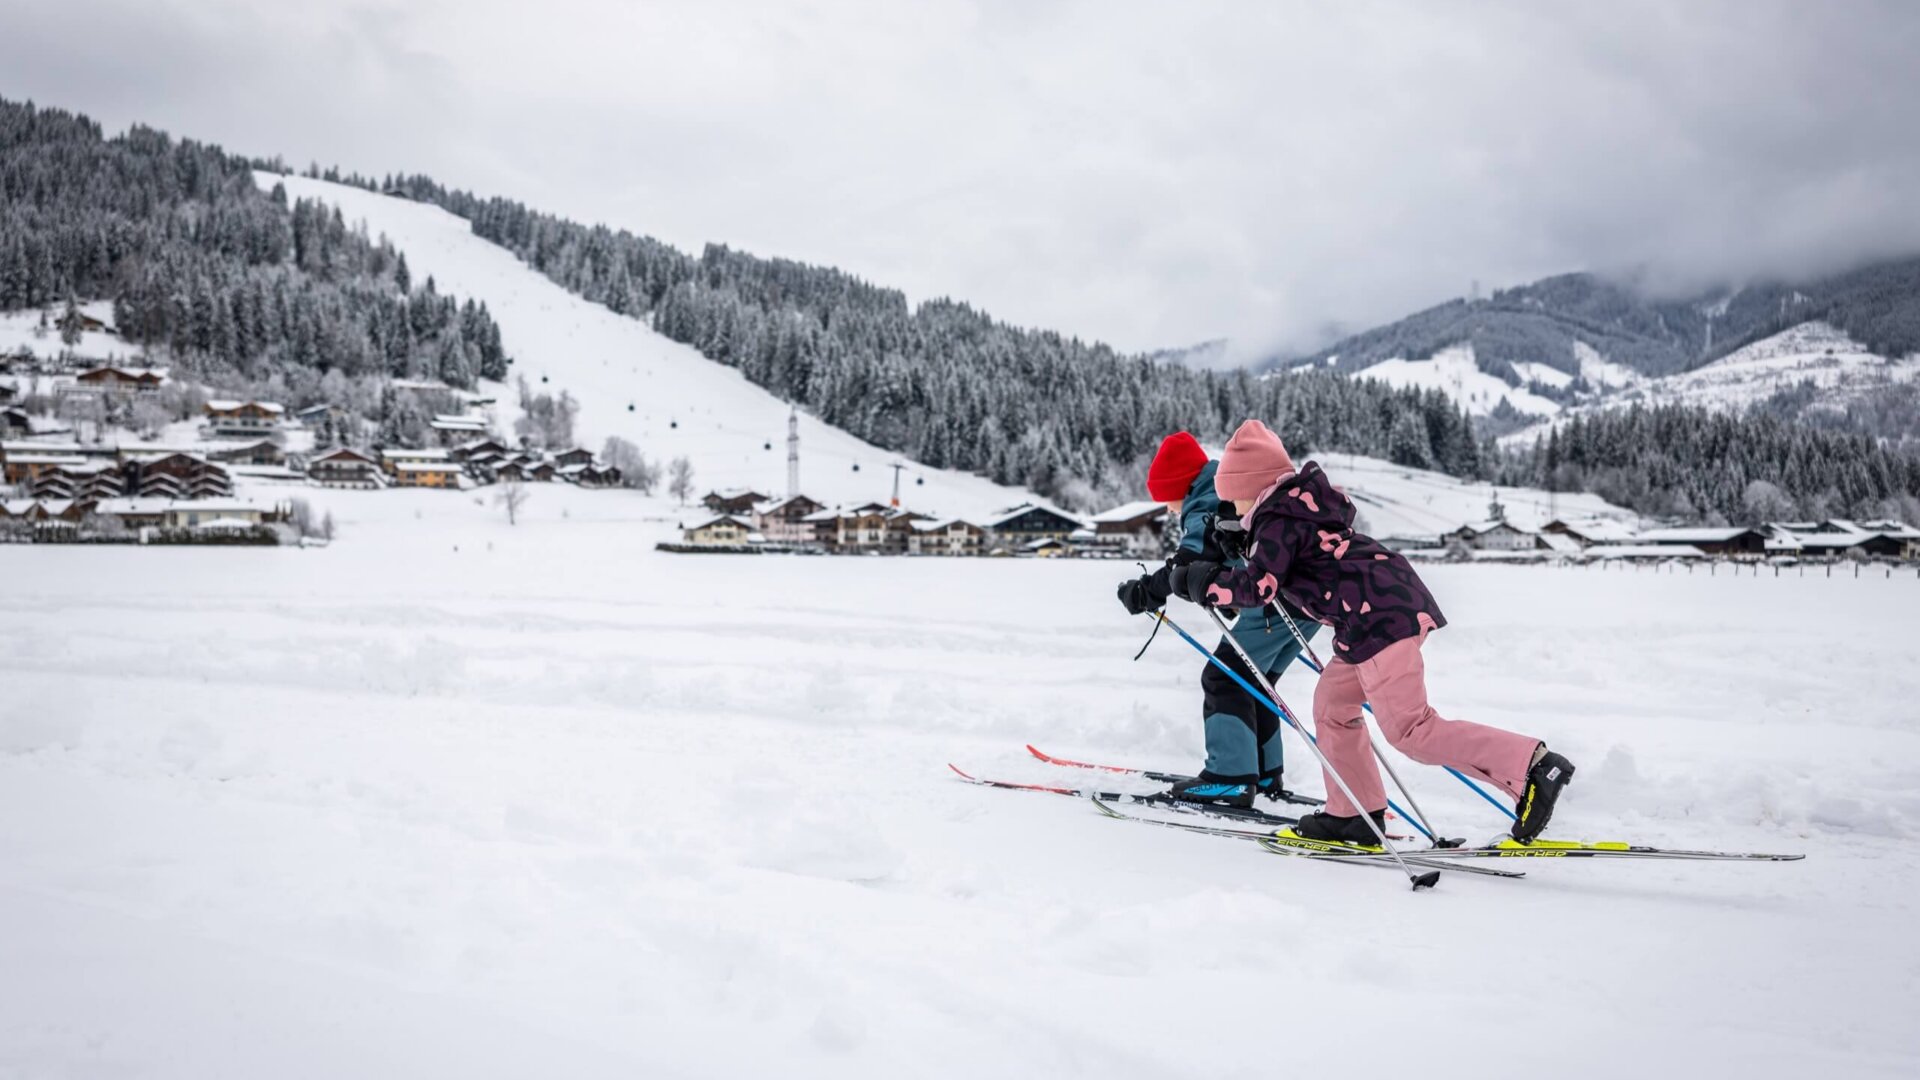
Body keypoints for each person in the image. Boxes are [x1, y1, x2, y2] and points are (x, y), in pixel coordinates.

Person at [1170, 419, 1576, 844]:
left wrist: (1204, 582)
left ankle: (1532, 765)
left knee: (1412, 732)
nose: (1231, 511)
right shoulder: (1289, 510)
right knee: (1331, 706)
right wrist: (1246, 544)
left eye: (1233, 500)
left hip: (1380, 621)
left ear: (1250, 488)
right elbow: (1281, 559)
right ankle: (1353, 814)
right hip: (1366, 620)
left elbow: (1259, 586)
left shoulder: (1279, 519)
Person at [1116, 431, 1320, 808]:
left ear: (1180, 485)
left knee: (1224, 677)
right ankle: (1262, 772)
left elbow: (1190, 562)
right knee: (1258, 680)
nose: (1168, 509)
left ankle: (1230, 778)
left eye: (1166, 498)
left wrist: (1147, 590)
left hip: (1275, 604)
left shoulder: (1206, 498)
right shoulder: (1224, 489)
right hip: (1302, 603)